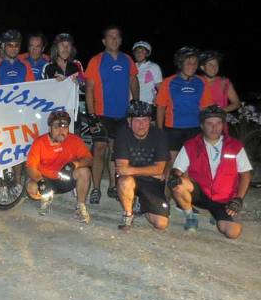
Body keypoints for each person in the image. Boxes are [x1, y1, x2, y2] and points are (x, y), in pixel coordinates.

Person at [169, 105, 251, 239]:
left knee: (232, 233)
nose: (214, 128)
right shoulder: (191, 145)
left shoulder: (235, 146)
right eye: (210, 124)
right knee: (178, 184)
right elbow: (177, 170)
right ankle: (190, 215)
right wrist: (174, 177)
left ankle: (217, 215)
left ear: (223, 125)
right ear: (202, 125)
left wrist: (238, 198)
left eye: (218, 123)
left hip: (224, 198)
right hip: (201, 193)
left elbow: (245, 174)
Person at [85, 25, 139, 204]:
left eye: (117, 37)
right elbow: (90, 89)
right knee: (99, 150)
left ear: (121, 40)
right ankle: (95, 188)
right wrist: (91, 115)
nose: (114, 40)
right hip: (101, 113)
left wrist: (135, 105)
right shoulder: (96, 60)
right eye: (110, 37)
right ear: (104, 41)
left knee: (115, 152)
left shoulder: (127, 60)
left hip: (122, 114)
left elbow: (133, 81)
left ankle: (113, 186)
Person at [0, 29, 35, 197]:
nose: (13, 48)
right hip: (1, 114)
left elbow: (31, 89)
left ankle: (17, 182)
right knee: (2, 149)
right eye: (10, 45)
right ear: (4, 46)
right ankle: (2, 185)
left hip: (20, 114)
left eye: (16, 46)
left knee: (19, 150)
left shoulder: (25, 66)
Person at [156, 46, 213, 179]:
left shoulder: (201, 82)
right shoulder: (169, 82)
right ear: (180, 64)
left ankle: (186, 198)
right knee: (171, 165)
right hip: (173, 129)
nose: (192, 66)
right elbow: (160, 107)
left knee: (191, 166)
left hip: (195, 129)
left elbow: (205, 108)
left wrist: (207, 130)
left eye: (195, 63)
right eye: (188, 63)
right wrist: (159, 130)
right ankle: (165, 198)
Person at [25, 110, 92, 223]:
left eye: (65, 127)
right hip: (46, 180)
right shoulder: (40, 142)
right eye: (56, 127)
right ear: (50, 128)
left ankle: (80, 206)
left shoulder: (74, 140)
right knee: (31, 188)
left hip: (65, 178)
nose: (61, 131)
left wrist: (75, 164)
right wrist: (40, 181)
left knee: (85, 171)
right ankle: (46, 197)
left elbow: (89, 159)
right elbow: (30, 167)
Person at [114, 101, 170, 231]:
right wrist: (152, 171)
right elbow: (122, 169)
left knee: (161, 224)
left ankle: (142, 204)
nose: (141, 125)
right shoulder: (122, 134)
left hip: (152, 183)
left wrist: (131, 170)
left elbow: (160, 169)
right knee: (125, 181)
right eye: (137, 120)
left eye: (145, 120)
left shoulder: (160, 135)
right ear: (129, 121)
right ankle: (128, 214)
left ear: (150, 120)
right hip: (134, 179)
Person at [131, 41, 162, 105]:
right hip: (132, 104)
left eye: (142, 51)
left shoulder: (153, 67)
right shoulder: (130, 67)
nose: (139, 53)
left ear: (147, 54)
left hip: (148, 104)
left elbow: (160, 87)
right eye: (137, 51)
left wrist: (158, 99)